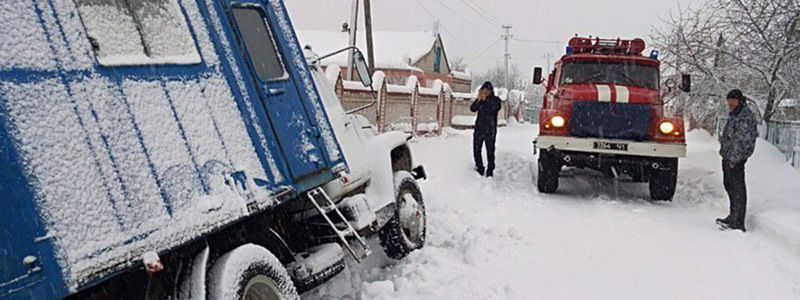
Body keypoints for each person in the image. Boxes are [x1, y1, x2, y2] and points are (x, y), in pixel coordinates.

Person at [716, 89, 758, 232]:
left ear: (739, 101)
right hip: (728, 157)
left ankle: (738, 222)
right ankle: (733, 216)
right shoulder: (735, 114)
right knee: (730, 186)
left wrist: (733, 159)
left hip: (736, 159)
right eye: (729, 100)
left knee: (737, 189)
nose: (730, 103)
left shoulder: (745, 116)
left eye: (733, 100)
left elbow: (743, 141)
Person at [471, 81, 502, 177]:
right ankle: (479, 167)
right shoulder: (480, 100)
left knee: (490, 150)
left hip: (490, 129)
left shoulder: (496, 100)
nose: (485, 92)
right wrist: (478, 100)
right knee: (477, 149)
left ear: (491, 91)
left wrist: (484, 101)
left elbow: (492, 109)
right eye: (483, 90)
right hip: (479, 128)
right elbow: (473, 108)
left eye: (487, 90)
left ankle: (490, 169)